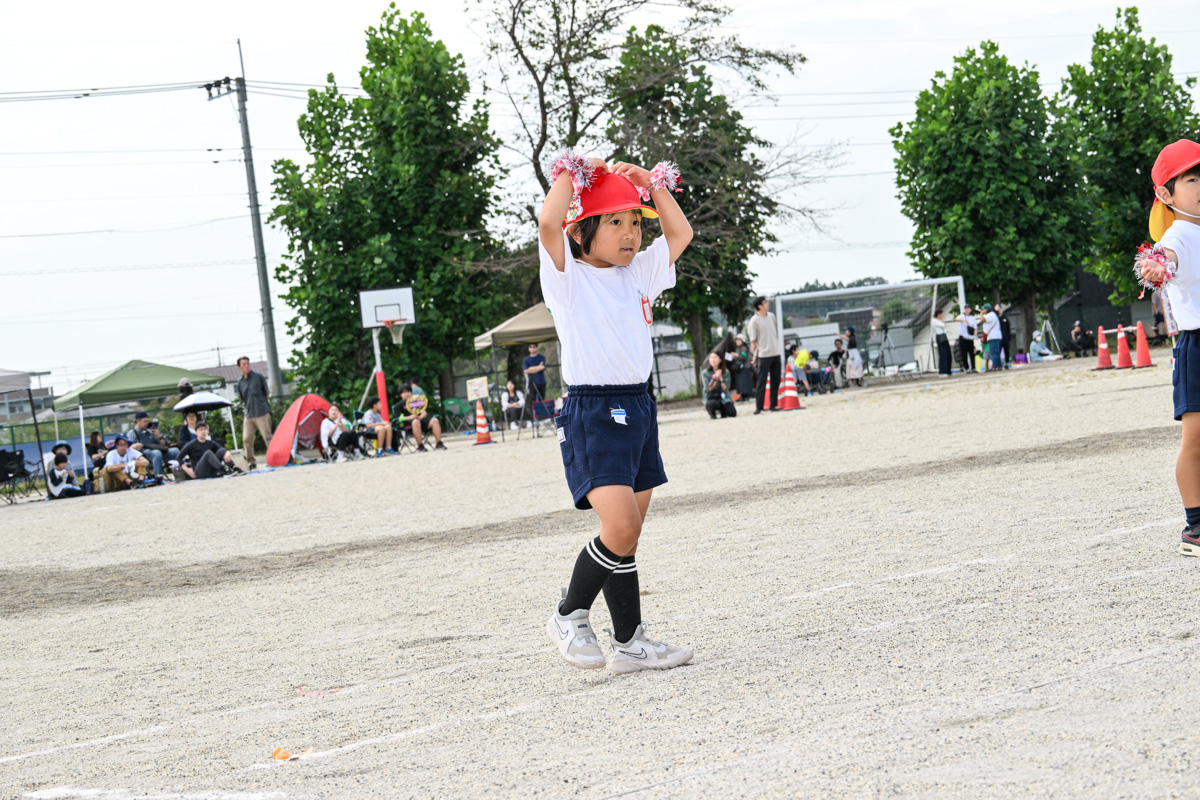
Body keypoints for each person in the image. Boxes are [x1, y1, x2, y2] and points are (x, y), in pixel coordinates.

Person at [538, 151, 693, 673]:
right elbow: (548, 223)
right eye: (615, 222)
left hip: (639, 406)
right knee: (620, 527)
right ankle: (569, 613)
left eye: (635, 222)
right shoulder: (568, 277)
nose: (630, 234)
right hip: (594, 411)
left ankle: (629, 642)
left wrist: (652, 184)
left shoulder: (639, 273)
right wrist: (572, 173)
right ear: (583, 230)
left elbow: (680, 234)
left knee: (628, 536)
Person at [1134, 139, 1200, 555]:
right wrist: (1158, 265)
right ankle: (1196, 528)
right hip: (1197, 346)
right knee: (1196, 440)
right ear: (1166, 193)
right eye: (1192, 179)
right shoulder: (1178, 235)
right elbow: (1165, 258)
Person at [236, 356, 273, 470]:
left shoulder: (258, 377)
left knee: (267, 437)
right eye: (244, 364)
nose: (246, 366)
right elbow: (243, 399)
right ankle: (251, 462)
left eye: (247, 363)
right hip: (249, 414)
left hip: (262, 412)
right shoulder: (240, 382)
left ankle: (273, 458)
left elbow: (266, 394)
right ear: (239, 367)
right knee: (246, 439)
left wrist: (264, 407)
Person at [748, 296, 782, 414]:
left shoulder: (771, 316)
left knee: (776, 380)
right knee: (762, 381)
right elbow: (753, 341)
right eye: (765, 302)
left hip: (775, 352)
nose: (768, 304)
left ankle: (773, 405)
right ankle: (759, 407)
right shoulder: (754, 321)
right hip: (763, 354)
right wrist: (755, 356)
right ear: (760, 306)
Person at [125, 412, 177, 479]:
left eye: (147, 421)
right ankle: (158, 477)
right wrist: (135, 446)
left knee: (175, 450)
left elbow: (163, 445)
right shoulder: (133, 433)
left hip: (158, 450)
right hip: (144, 453)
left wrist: (159, 436)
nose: (147, 423)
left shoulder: (150, 431)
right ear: (138, 421)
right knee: (156, 453)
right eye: (145, 421)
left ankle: (184, 472)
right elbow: (129, 449)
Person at [398, 383, 446, 451]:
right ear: (401, 394)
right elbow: (399, 418)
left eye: (408, 391)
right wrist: (411, 417)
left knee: (435, 420)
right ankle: (420, 446)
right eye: (404, 392)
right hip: (410, 425)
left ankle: (439, 443)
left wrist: (420, 417)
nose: (407, 394)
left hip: (422, 421)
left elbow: (424, 412)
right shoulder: (399, 406)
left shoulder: (416, 401)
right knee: (415, 422)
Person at [701, 352, 737, 419]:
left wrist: (721, 379)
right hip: (711, 397)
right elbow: (708, 389)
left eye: (715, 357)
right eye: (711, 358)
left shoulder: (726, 372)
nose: (713, 360)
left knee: (732, 413)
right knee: (712, 404)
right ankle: (712, 412)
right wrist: (714, 379)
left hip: (723, 396)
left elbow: (726, 388)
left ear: (720, 360)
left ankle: (723, 410)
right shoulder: (705, 373)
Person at [978, 303, 1002, 371]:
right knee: (996, 352)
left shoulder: (990, 314)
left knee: (994, 352)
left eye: (983, 309)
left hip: (993, 336)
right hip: (996, 336)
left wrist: (981, 313)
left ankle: (995, 366)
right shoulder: (993, 314)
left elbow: (982, 319)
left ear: (987, 309)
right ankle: (998, 365)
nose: (982, 310)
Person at [954, 305, 977, 373]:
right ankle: (966, 368)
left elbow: (975, 328)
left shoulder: (972, 318)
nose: (967, 310)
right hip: (963, 337)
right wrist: (964, 320)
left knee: (971, 353)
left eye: (968, 308)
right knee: (964, 353)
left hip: (970, 337)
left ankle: (973, 367)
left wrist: (975, 335)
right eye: (966, 309)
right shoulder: (962, 316)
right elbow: (956, 319)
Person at [730, 335, 754, 400]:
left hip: (744, 368)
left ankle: (746, 396)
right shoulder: (737, 349)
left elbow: (743, 357)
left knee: (744, 383)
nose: (737, 341)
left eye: (739, 340)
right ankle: (742, 395)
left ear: (743, 341)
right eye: (736, 340)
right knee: (740, 383)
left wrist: (735, 355)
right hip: (739, 369)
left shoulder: (744, 348)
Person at [932, 309, 952, 377]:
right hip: (940, 336)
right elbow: (943, 325)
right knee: (943, 354)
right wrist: (942, 319)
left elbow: (945, 328)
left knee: (948, 354)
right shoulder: (934, 321)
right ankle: (943, 371)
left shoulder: (939, 321)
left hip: (944, 336)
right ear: (938, 314)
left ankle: (948, 370)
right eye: (941, 314)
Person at [997, 304, 1013, 368]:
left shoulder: (1005, 318)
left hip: (1005, 337)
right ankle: (998, 363)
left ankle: (1007, 362)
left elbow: (1008, 328)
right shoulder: (996, 319)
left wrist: (1009, 336)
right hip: (999, 337)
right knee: (999, 350)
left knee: (1007, 350)